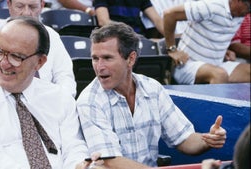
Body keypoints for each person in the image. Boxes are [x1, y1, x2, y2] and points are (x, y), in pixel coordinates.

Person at [0, 16, 98, 169]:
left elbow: (75, 148)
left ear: (40, 62)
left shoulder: (59, 99)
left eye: (16, 57)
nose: (4, 63)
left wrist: (80, 165)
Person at [76, 21, 227, 168]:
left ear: (131, 59)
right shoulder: (89, 101)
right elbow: (110, 162)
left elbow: (184, 139)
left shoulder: (153, 88)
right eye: (95, 58)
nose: (99, 67)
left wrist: (209, 139)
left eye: (107, 58)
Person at [0, 0, 77, 97]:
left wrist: (57, 103)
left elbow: (65, 78)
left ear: (42, 6)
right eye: (20, 6)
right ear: (9, 5)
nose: (26, 13)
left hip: (45, 102)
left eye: (32, 7)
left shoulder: (52, 36)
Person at [163, 0, 250, 84]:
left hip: (217, 65)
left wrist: (223, 51)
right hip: (187, 65)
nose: (249, 12)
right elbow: (169, 14)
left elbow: (216, 34)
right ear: (238, 1)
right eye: (249, 7)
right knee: (220, 75)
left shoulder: (240, 15)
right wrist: (172, 49)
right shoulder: (211, 5)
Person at [93, 0, 164, 39]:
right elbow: (103, 21)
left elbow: (157, 20)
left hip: (139, 39)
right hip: (114, 37)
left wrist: (172, 39)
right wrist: (132, 35)